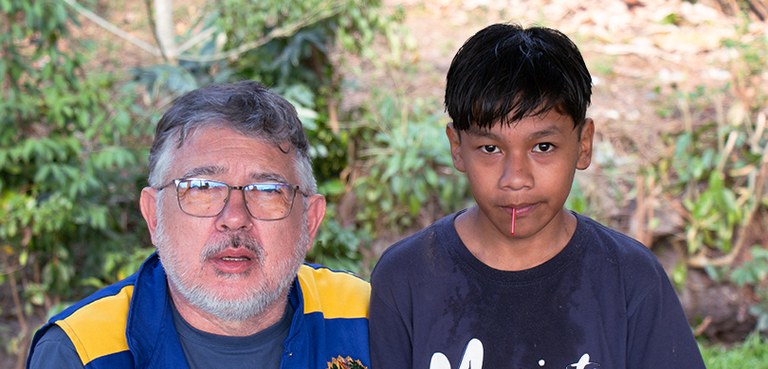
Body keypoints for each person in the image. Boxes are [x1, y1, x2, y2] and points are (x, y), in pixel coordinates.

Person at [369, 23, 706, 369]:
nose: (516, 179)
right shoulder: (406, 278)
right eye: (490, 148)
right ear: (457, 148)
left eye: (543, 147)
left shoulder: (629, 280)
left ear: (583, 144)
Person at [27, 81, 371, 369]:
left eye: (267, 191)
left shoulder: (367, 317)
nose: (235, 218)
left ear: (310, 221)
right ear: (154, 215)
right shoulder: (82, 352)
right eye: (202, 189)